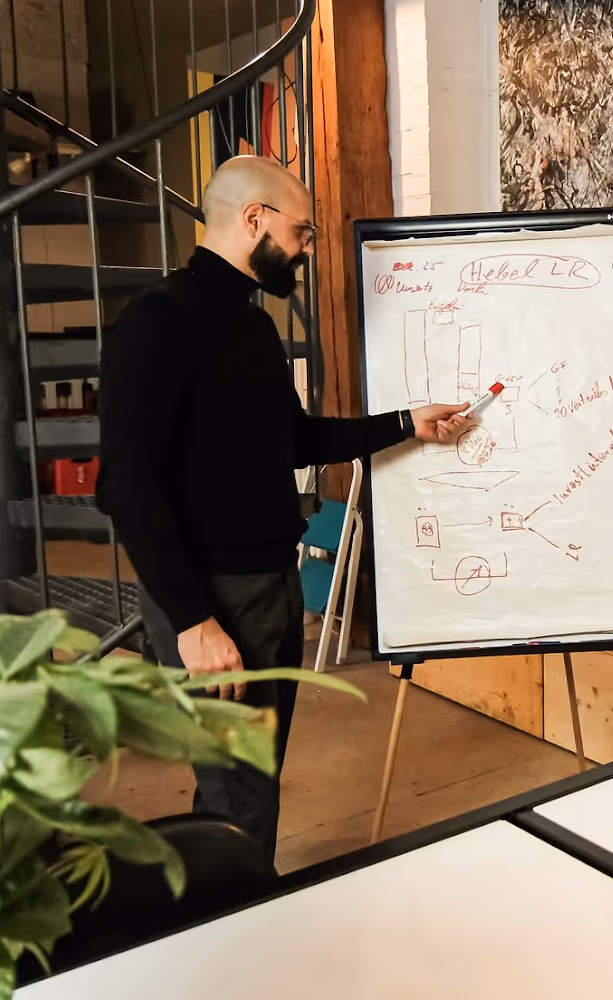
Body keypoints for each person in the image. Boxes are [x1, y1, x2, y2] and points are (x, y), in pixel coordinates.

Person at [97, 156, 469, 860]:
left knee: (251, 783)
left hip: (271, 584)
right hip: (212, 597)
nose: (306, 246)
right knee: (237, 795)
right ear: (253, 219)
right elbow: (128, 486)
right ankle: (229, 932)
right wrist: (193, 621)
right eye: (301, 231)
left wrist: (405, 423)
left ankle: (230, 914)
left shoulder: (253, 329)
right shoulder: (155, 326)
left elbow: (295, 440)